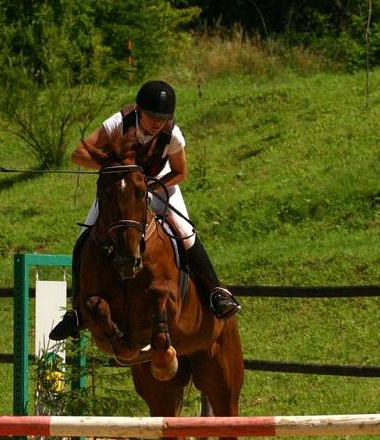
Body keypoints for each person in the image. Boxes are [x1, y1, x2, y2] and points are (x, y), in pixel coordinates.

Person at [49, 80, 241, 341]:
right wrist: (113, 166)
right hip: (122, 188)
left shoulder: (172, 135)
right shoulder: (118, 123)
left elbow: (180, 171)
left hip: (159, 183)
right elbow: (78, 154)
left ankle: (216, 292)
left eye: (163, 118)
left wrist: (152, 186)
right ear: (139, 110)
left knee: (186, 232)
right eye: (152, 117)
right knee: (84, 235)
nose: (157, 123)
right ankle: (77, 312)